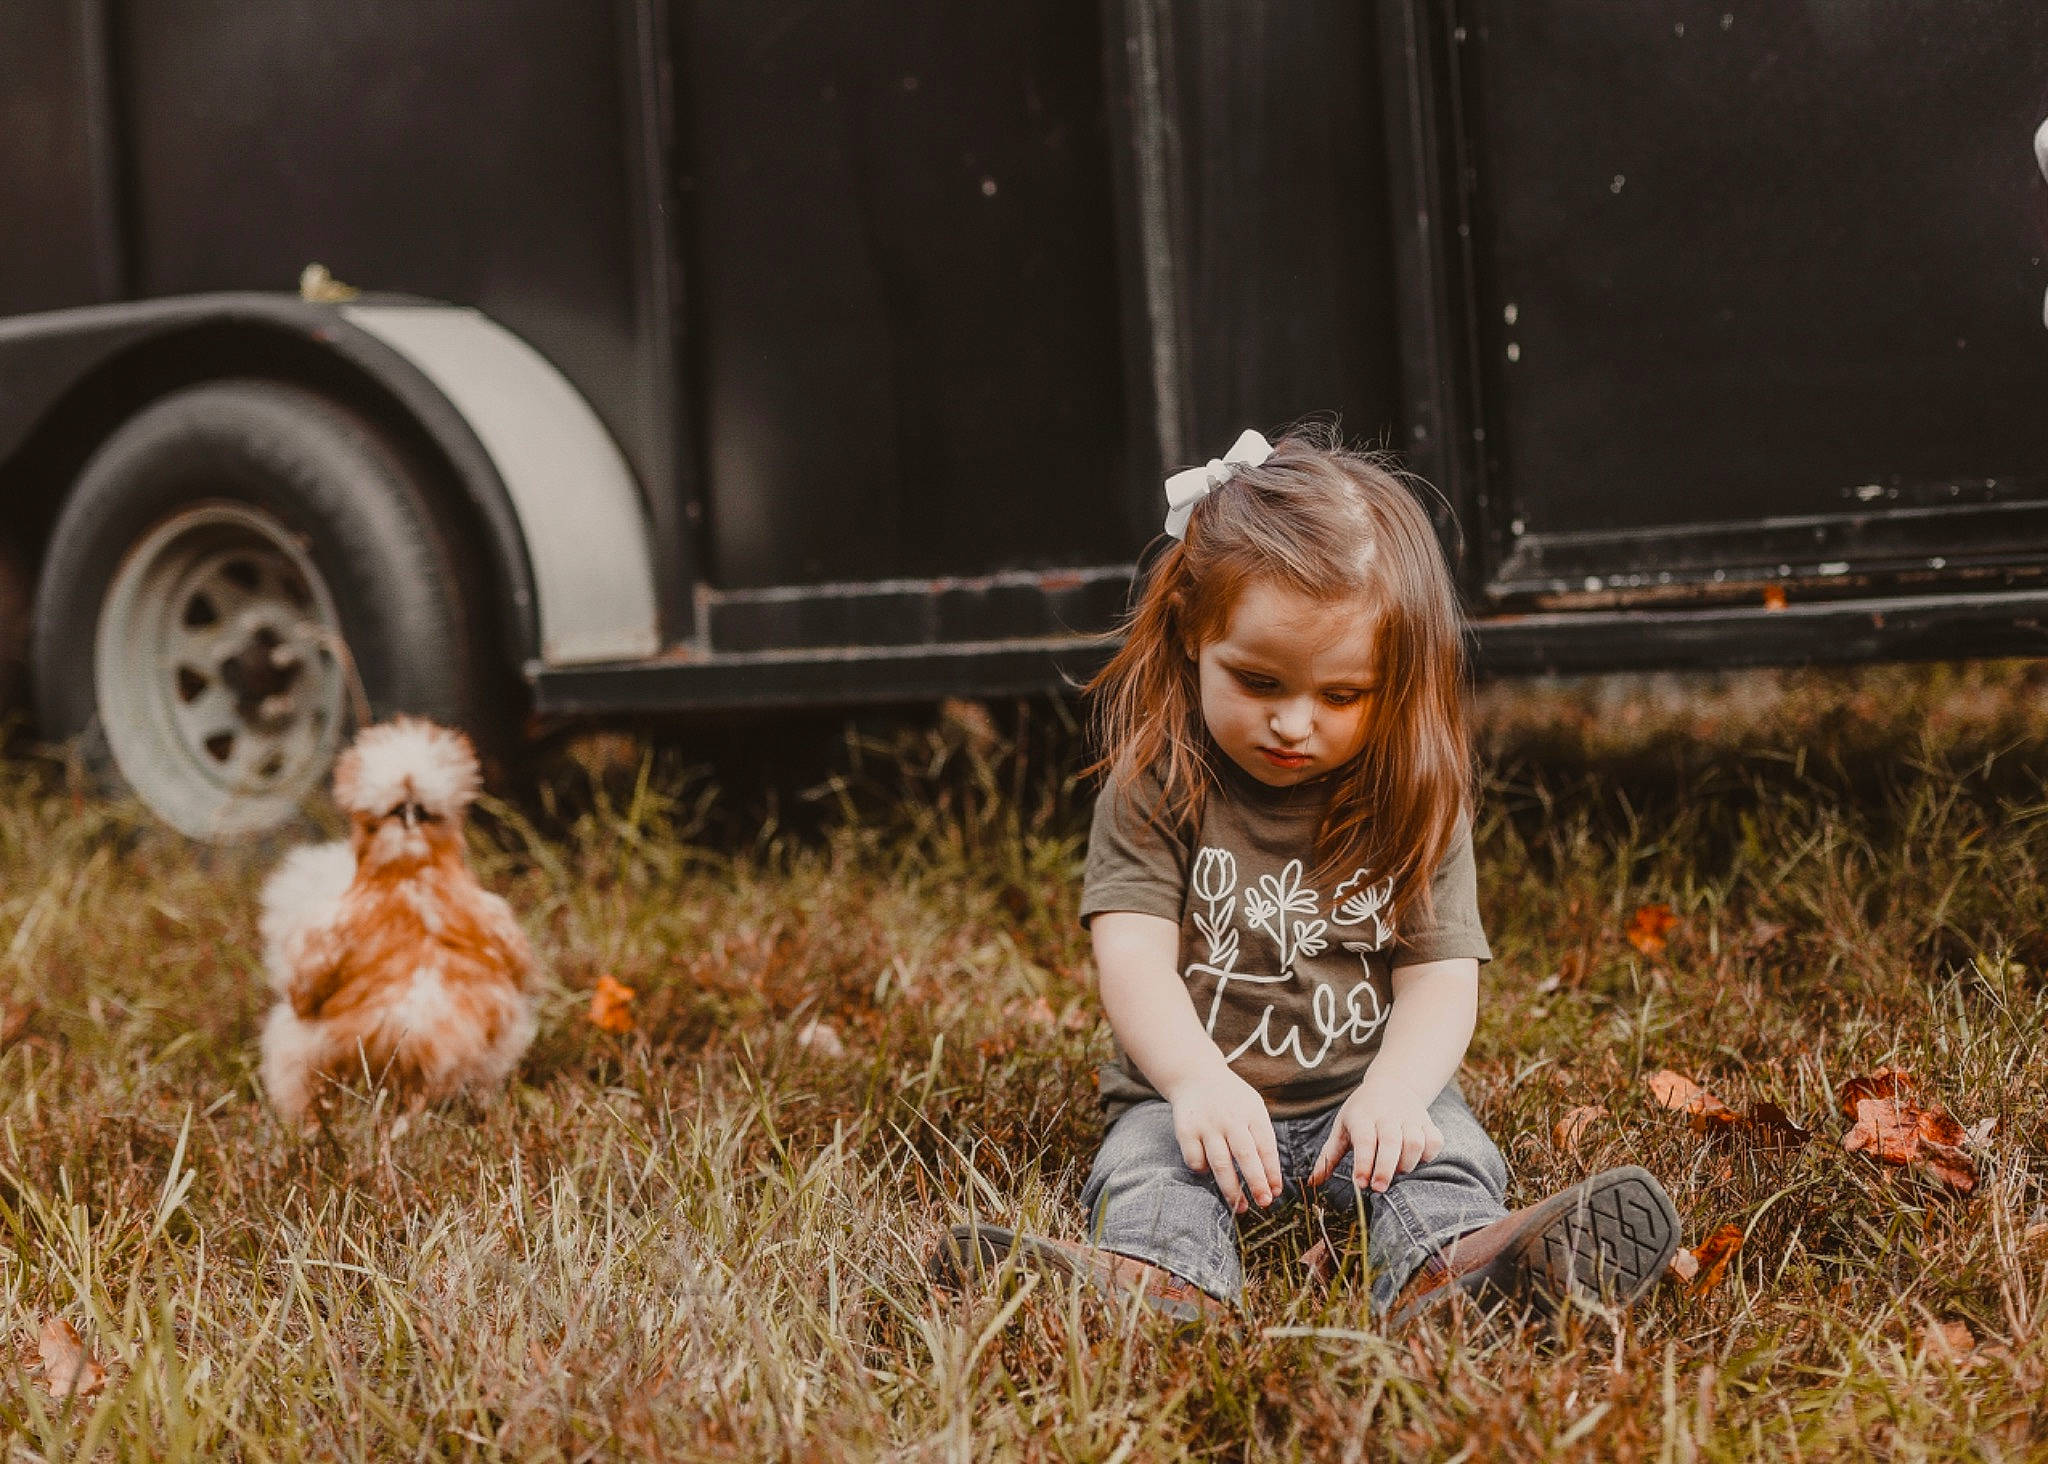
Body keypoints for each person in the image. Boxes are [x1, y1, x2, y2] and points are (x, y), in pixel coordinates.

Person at [930, 426, 1680, 1326]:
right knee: (1147, 1169)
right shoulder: (1157, 781)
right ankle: (1159, 1282)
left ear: (1396, 681)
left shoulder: (1414, 795)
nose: (1293, 724)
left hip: (1365, 1096)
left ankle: (1456, 1273)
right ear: (1191, 636)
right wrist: (1195, 1081)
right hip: (1194, 1098)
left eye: (1341, 696)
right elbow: (1131, 957)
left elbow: (1440, 979)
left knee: (1443, 1157)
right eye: (1258, 682)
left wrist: (1397, 1092)